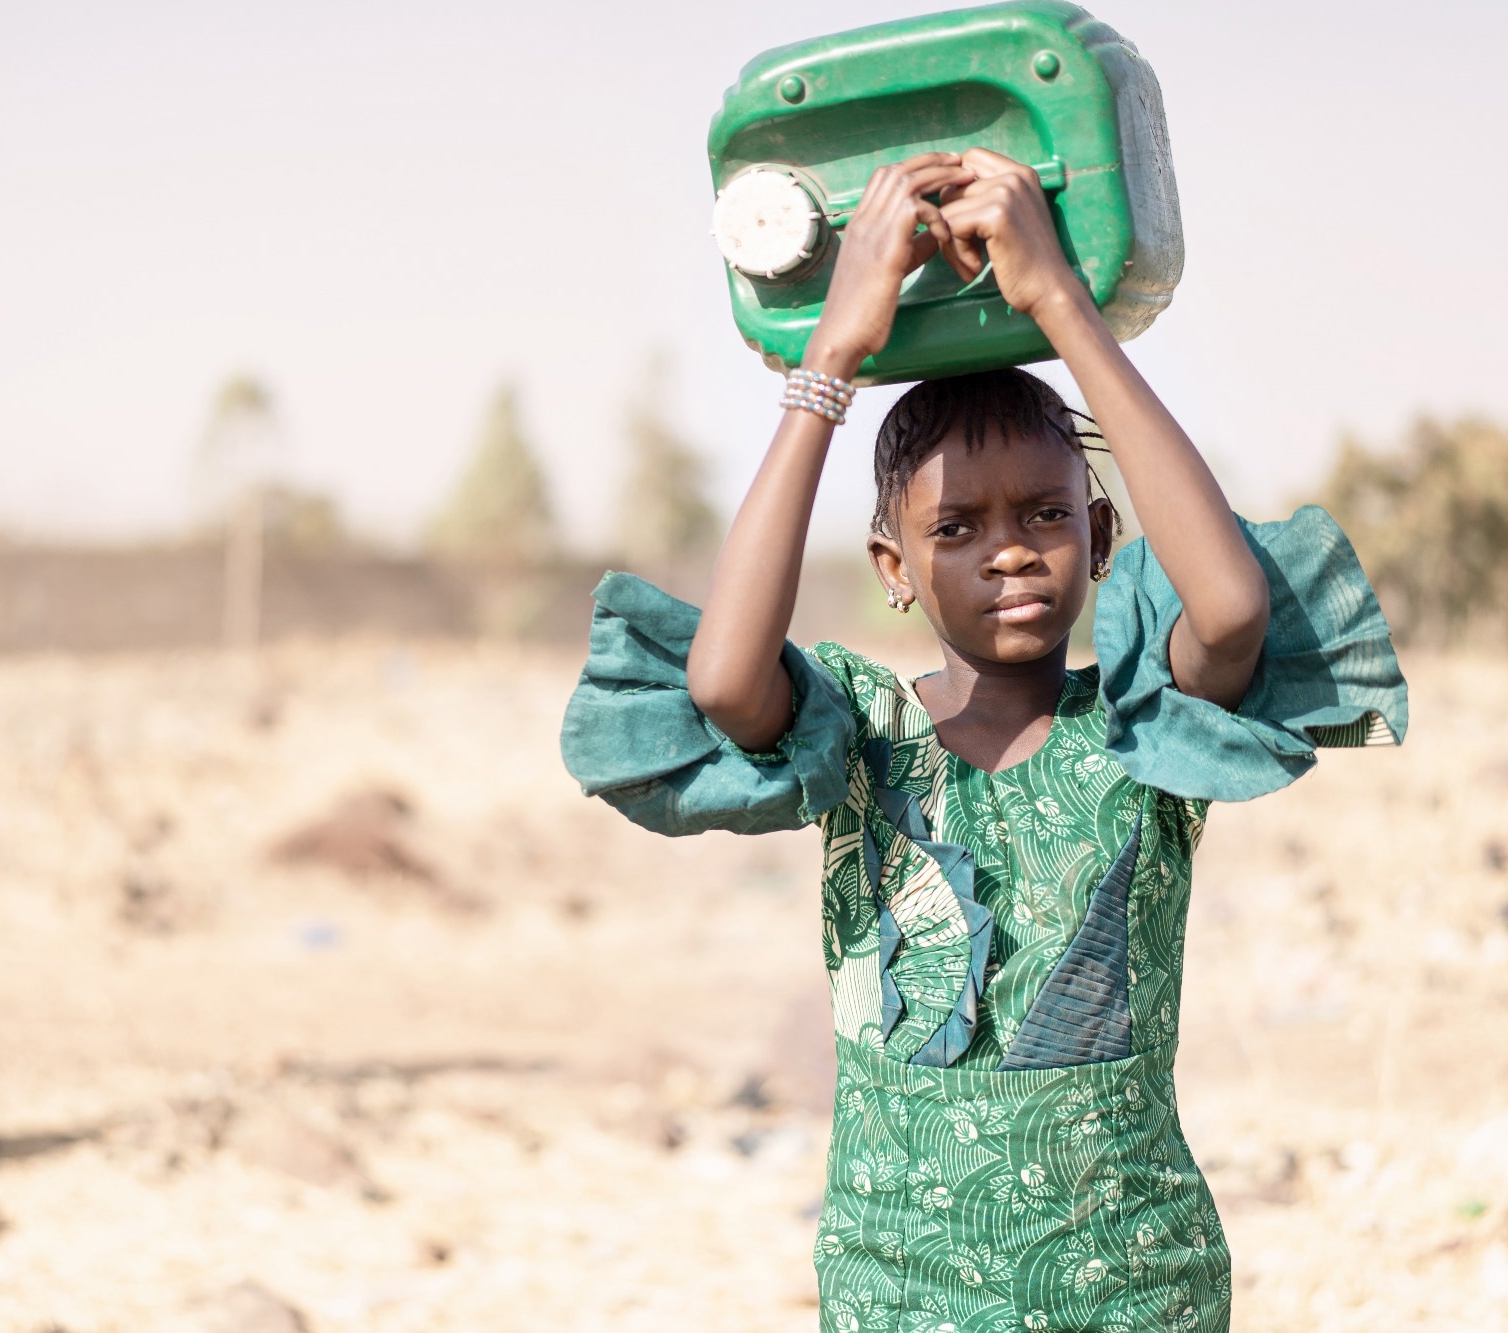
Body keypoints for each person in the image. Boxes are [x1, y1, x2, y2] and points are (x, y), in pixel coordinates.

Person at [562, 150, 1408, 1330]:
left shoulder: (1141, 726)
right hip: (897, 1292)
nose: (1008, 549)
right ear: (892, 570)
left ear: (1099, 533)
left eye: (1045, 513)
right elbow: (721, 677)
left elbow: (1227, 609)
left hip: (1134, 1284)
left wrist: (1057, 301)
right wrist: (830, 361)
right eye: (954, 526)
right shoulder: (858, 734)